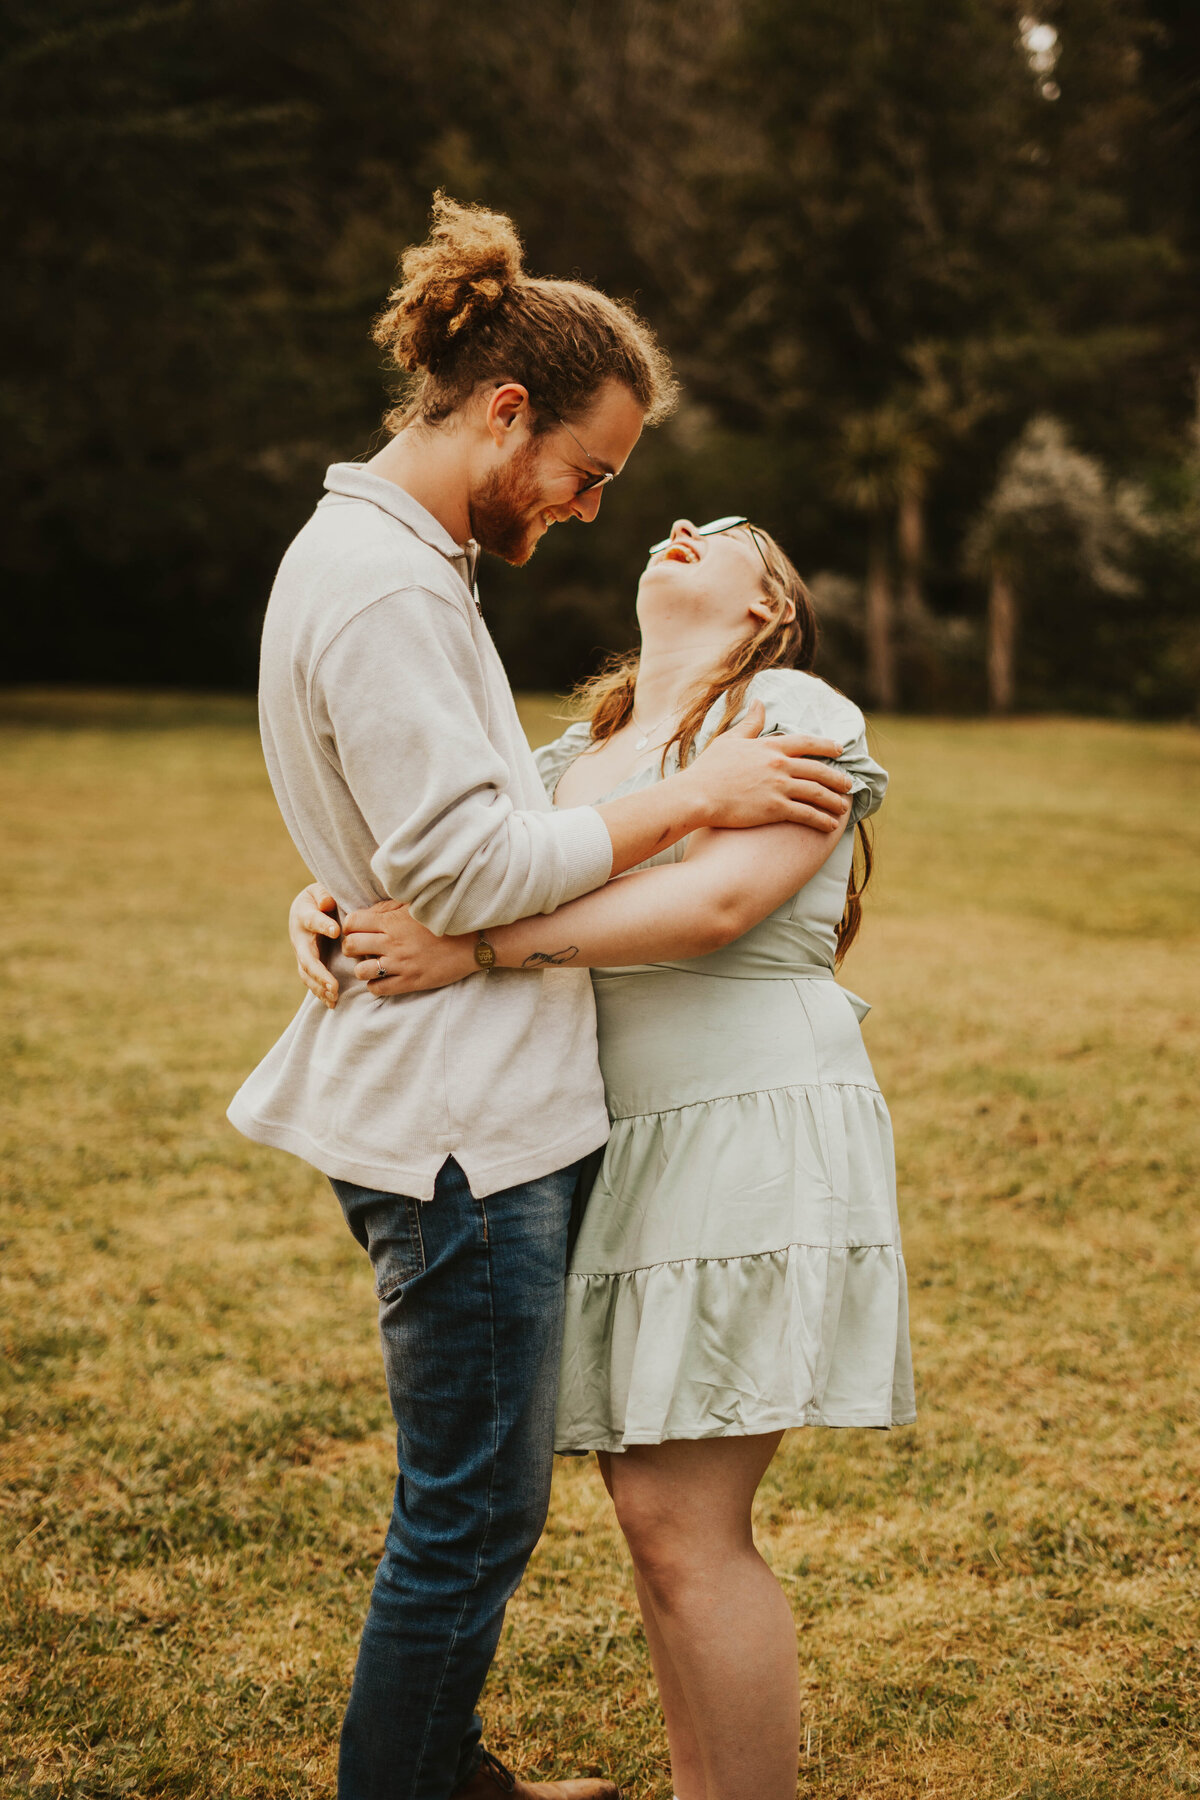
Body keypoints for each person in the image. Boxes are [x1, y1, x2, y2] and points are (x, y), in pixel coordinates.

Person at [228, 190, 857, 1800]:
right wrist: (680, 802)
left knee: (505, 1508)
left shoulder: (387, 564)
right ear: (506, 409)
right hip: (462, 1130)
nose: (593, 511)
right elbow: (475, 860)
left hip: (567, 1110)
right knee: (473, 1515)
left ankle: (451, 1779)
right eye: (591, 474)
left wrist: (361, 887)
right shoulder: (389, 583)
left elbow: (453, 854)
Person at [290, 514, 916, 1800]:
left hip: (744, 1115)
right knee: (657, 1524)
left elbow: (719, 902)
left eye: (732, 535)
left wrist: (477, 951)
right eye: (679, 518)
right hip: (614, 1140)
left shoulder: (790, 701)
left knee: (688, 1526)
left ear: (765, 610)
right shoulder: (572, 753)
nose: (681, 524)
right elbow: (468, 871)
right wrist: (331, 903)